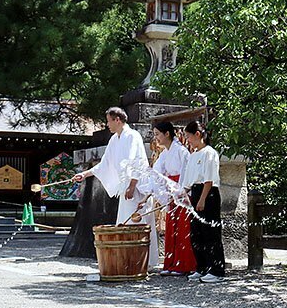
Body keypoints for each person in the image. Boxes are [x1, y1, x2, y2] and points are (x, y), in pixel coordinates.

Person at [73, 107, 159, 267]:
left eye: (108, 121)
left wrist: (132, 185)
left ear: (117, 120)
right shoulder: (115, 140)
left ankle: (140, 262)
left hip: (138, 186)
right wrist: (85, 174)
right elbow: (105, 163)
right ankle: (130, 261)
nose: (107, 125)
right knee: (125, 223)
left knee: (136, 223)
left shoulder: (133, 136)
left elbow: (135, 161)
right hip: (126, 185)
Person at [145, 121, 196, 276]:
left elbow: (186, 173)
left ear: (167, 134)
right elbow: (157, 175)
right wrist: (151, 192)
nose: (156, 139)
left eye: (157, 134)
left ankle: (183, 265)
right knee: (171, 228)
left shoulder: (181, 151)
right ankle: (171, 262)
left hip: (181, 192)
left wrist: (179, 192)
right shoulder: (165, 154)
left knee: (182, 228)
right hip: (171, 192)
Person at [181, 121, 226, 283]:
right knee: (196, 233)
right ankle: (202, 267)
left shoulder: (209, 153)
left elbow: (209, 180)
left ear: (198, 135)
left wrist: (202, 200)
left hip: (208, 194)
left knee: (210, 233)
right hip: (196, 192)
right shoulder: (193, 155)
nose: (188, 141)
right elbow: (187, 183)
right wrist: (179, 195)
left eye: (189, 137)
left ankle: (217, 270)